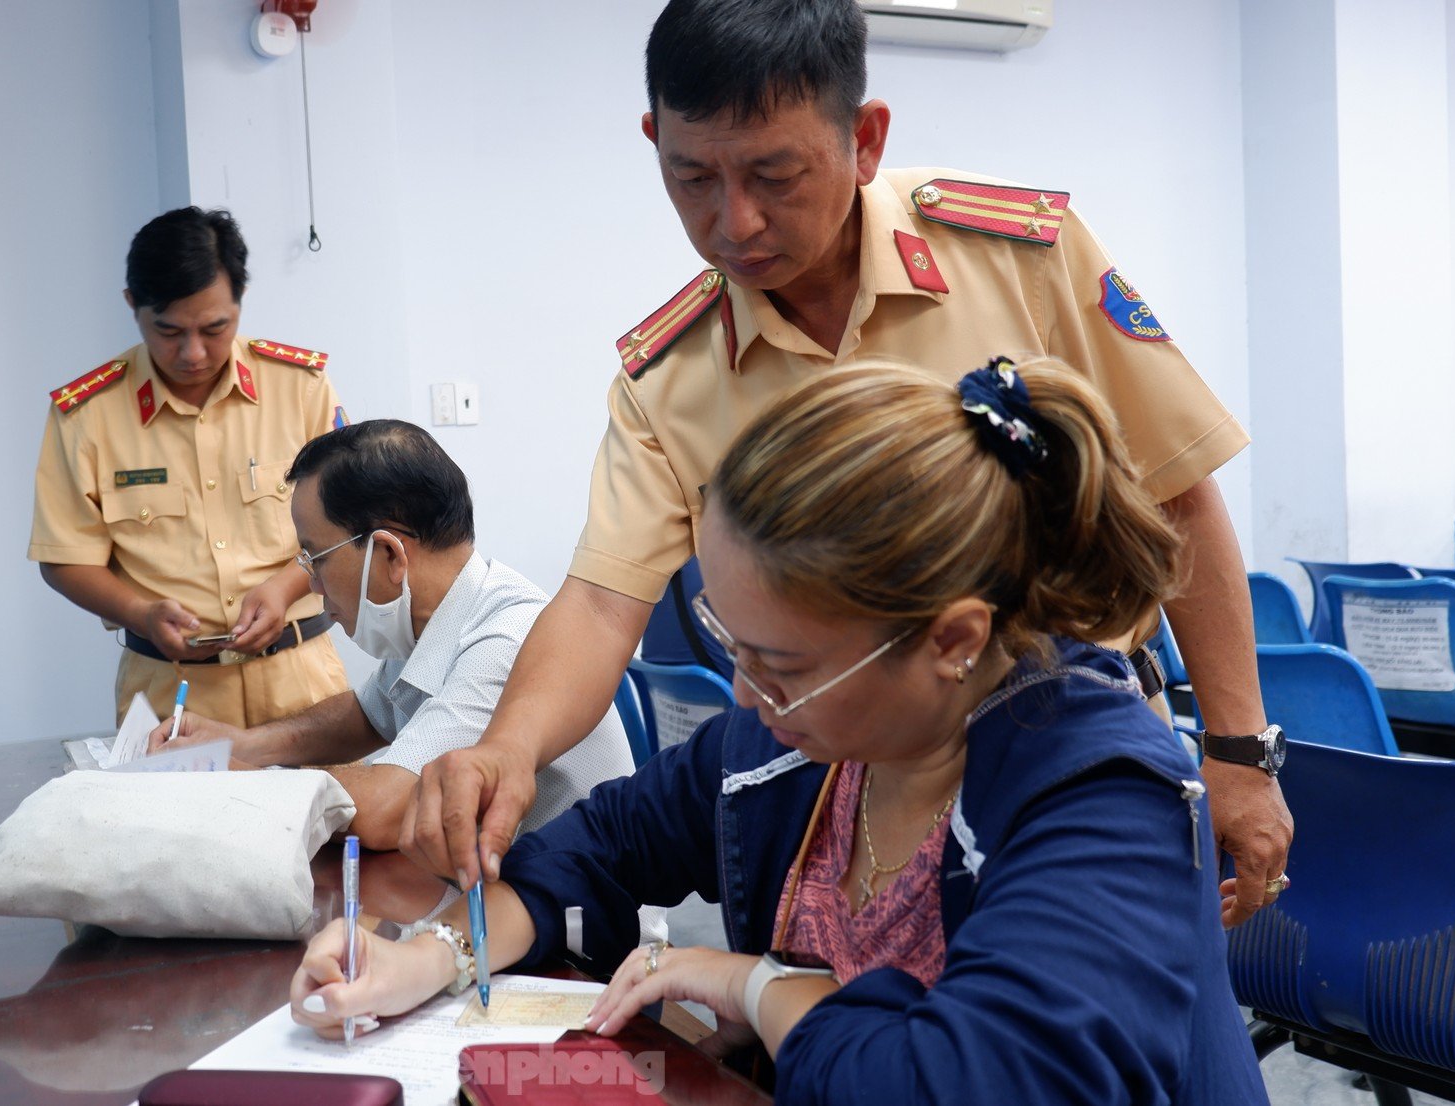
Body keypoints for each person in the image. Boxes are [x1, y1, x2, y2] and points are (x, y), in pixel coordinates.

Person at [406, 0, 1292, 927]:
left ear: (865, 141)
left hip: (1058, 761)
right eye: (692, 177)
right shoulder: (670, 375)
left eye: (774, 175)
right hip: (853, 796)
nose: (732, 221)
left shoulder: (1018, 259)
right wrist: (507, 749)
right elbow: (598, 602)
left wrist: (1238, 751)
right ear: (653, 145)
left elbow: (1177, 493)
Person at [293, 358, 1272, 1105]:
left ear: (951, 640)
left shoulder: (1103, 795)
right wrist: (430, 956)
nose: (745, 696)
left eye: (783, 663)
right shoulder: (810, 740)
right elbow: (597, 843)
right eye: (729, 639)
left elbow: (958, 1082)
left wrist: (754, 984)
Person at [147, 420, 633, 853]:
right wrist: (242, 744)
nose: (312, 587)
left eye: (315, 559)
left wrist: (226, 775)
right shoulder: (439, 613)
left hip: (585, 941)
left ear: (390, 556)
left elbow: (386, 808)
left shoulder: (506, 641)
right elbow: (367, 714)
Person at [29, 207, 350, 727]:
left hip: (302, 679)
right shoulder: (88, 415)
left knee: (325, 809)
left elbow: (350, 522)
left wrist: (287, 585)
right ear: (133, 305)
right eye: (169, 330)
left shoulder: (301, 389)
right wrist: (141, 614)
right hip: (169, 694)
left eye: (214, 328)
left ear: (239, 306)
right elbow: (65, 557)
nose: (193, 352)